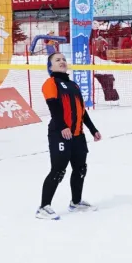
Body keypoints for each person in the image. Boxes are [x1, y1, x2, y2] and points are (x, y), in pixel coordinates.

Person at [38, 52, 103, 220]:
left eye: (64, 59)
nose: (62, 62)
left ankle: (76, 202)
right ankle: (43, 207)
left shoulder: (73, 85)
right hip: (60, 133)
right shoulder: (50, 83)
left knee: (81, 168)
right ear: (50, 66)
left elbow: (82, 111)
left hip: (77, 134)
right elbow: (54, 108)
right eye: (57, 60)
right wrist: (62, 126)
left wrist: (93, 129)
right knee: (58, 170)